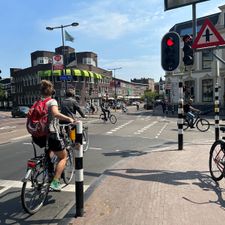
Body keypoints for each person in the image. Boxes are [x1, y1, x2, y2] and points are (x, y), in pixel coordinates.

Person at [33, 80, 76, 191]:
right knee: (63, 157)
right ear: (52, 91)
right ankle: (55, 182)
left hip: (37, 136)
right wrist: (68, 118)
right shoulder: (52, 101)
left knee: (50, 152)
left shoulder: (37, 102)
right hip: (50, 135)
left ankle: (49, 171)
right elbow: (56, 114)